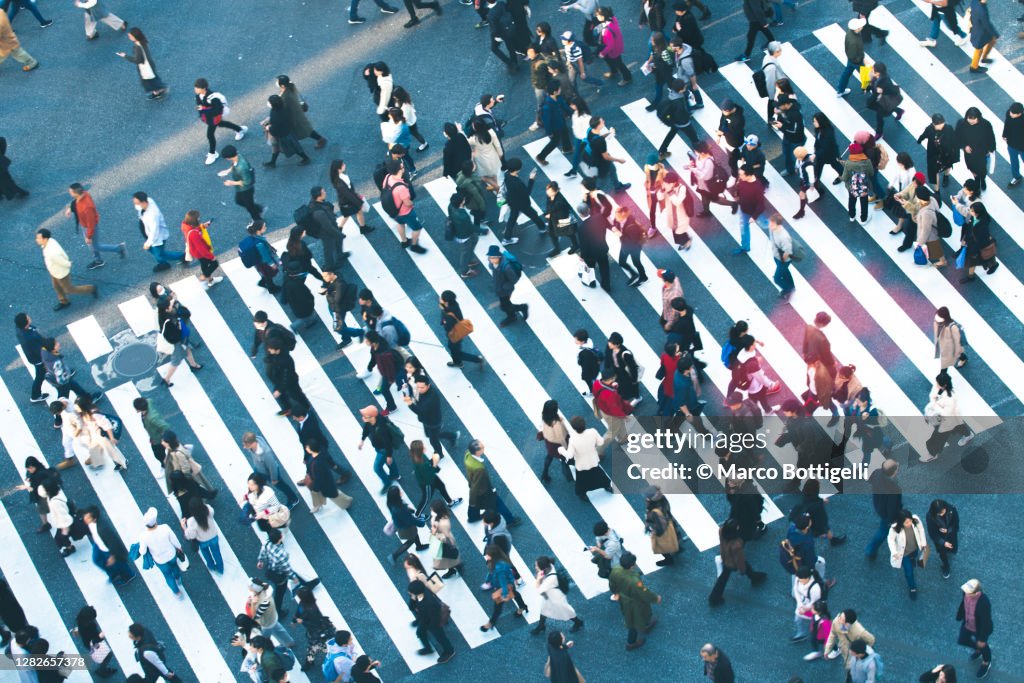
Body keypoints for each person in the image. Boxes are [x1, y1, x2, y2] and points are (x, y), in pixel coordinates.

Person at [65, 183, 125, 270]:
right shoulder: (84, 194)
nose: (69, 192)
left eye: (70, 191)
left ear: (76, 193)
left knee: (95, 246)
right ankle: (98, 260)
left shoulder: (87, 207)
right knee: (92, 246)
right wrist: (70, 209)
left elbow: (91, 223)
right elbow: (75, 203)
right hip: (85, 225)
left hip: (88, 227)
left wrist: (88, 236)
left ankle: (119, 248)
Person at [35, 228, 97, 311]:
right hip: (54, 271)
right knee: (56, 286)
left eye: (39, 238)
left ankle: (91, 288)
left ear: (45, 239)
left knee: (69, 289)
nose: (37, 240)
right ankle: (64, 301)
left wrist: (68, 264)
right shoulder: (50, 241)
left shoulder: (52, 253)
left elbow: (63, 262)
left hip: (61, 273)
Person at [709, 518, 766, 606]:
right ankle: (714, 598)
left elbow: (721, 544)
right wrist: (742, 570)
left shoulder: (721, 530)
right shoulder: (737, 544)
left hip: (725, 556)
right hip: (732, 562)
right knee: (724, 578)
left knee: (723, 578)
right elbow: (739, 560)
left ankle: (714, 598)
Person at [609, 552, 660, 650]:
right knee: (633, 622)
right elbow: (644, 592)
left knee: (634, 617)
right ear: (633, 565)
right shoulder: (634, 580)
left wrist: (616, 593)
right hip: (635, 603)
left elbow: (612, 584)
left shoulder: (615, 570)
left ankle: (645, 625)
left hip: (624, 599)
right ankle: (631, 643)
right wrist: (655, 598)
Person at [464, 439, 520, 525]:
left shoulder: (467, 455)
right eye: (482, 448)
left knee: (476, 504)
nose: (484, 448)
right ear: (477, 452)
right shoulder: (479, 468)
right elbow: (475, 487)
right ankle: (510, 520)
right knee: (498, 504)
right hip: (485, 491)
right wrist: (472, 500)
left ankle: (472, 517)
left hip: (474, 485)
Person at [134, 507, 185, 598]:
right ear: (155, 521)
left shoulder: (143, 536)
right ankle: (178, 579)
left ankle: (177, 593)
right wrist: (179, 548)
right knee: (175, 567)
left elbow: (142, 551)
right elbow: (174, 539)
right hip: (171, 554)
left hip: (160, 560)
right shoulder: (165, 528)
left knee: (167, 575)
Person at [923, 372, 974, 462]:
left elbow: (945, 413)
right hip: (953, 416)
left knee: (938, 437)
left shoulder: (949, 397)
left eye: (938, 383)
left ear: (944, 384)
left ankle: (932, 454)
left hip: (946, 420)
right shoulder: (946, 391)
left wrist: (934, 408)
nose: (936, 384)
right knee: (958, 426)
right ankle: (968, 435)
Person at [193, 78, 246, 165]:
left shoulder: (213, 98)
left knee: (210, 135)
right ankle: (239, 130)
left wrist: (205, 110)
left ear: (203, 88)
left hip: (213, 118)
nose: (195, 89)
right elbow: (200, 105)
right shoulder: (198, 96)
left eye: (197, 88)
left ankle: (212, 153)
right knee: (222, 124)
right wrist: (201, 111)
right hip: (208, 118)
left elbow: (218, 110)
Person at [559, 415, 612, 499]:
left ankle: (582, 494)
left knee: (582, 482)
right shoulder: (592, 432)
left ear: (574, 428)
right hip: (593, 460)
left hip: (581, 465)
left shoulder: (573, 439)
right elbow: (601, 443)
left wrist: (561, 450)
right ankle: (607, 486)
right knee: (599, 475)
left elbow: (570, 455)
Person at [479, 543, 528, 631]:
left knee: (498, 605)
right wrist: (488, 579)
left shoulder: (499, 567)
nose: (486, 556)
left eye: (488, 555)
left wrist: (504, 594)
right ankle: (523, 606)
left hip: (504, 586)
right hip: (505, 584)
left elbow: (503, 582)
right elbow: (491, 573)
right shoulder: (494, 562)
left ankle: (491, 622)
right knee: (515, 594)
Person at [157, 296, 203, 387]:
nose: (171, 305)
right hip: (177, 343)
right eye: (169, 305)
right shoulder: (168, 321)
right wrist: (179, 330)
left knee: (187, 350)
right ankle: (166, 379)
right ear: (166, 309)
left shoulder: (164, 315)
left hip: (181, 340)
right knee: (176, 360)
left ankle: (193, 365)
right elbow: (173, 336)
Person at [531, 556, 583, 635]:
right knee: (543, 609)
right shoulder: (550, 566)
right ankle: (541, 626)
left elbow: (539, 590)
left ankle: (578, 622)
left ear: (543, 568)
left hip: (556, 597)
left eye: (537, 566)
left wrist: (538, 579)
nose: (535, 567)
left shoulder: (551, 579)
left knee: (566, 611)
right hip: (549, 595)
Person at [40, 338, 102, 403]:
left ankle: (87, 398)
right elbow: (61, 378)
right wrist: (67, 377)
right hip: (62, 381)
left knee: (75, 387)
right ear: (52, 349)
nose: (58, 344)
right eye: (56, 344)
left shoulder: (44, 351)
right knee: (63, 396)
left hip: (54, 377)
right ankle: (59, 410)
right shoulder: (56, 363)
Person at [407, 580, 455, 663]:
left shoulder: (430, 603)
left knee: (440, 637)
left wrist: (432, 626)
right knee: (420, 633)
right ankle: (428, 648)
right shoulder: (419, 595)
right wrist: (412, 598)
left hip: (433, 622)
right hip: (424, 618)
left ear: (417, 592)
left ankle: (449, 651)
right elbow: (411, 608)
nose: (409, 592)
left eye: (411, 592)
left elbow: (435, 618)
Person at [303, 437, 353, 512]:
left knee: (333, 495)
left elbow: (320, 478)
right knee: (317, 494)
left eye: (307, 447)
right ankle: (317, 505)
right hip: (317, 480)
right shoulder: (317, 454)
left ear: (311, 449)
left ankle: (347, 502)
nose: (306, 448)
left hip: (324, 483)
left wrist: (315, 488)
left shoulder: (319, 463)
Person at [887, 508, 927, 599]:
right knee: (909, 572)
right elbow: (890, 540)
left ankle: (913, 560)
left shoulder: (915, 519)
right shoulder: (894, 528)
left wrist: (923, 543)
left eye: (910, 521)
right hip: (904, 554)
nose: (909, 523)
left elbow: (921, 530)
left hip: (915, 548)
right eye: (906, 522)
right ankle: (912, 587)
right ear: (901, 522)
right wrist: (894, 552)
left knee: (914, 557)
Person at [957, 578, 993, 678]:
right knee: (962, 640)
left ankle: (986, 661)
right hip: (967, 622)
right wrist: (960, 614)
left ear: (977, 593)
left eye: (968, 592)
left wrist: (982, 639)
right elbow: (963, 602)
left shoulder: (984, 603)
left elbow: (986, 623)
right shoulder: (966, 593)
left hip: (979, 628)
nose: (965, 593)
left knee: (982, 644)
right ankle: (979, 649)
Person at [262, 94, 310, 168]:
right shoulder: (282, 108)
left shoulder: (275, 114)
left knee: (294, 147)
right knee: (277, 146)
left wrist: (268, 128)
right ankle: (273, 162)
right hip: (287, 130)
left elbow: (275, 129)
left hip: (283, 135)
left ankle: (306, 158)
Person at [486, 245, 529, 327]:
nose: (491, 260)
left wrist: (504, 287)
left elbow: (514, 279)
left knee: (504, 306)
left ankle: (522, 308)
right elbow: (491, 266)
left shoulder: (506, 267)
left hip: (505, 290)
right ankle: (512, 316)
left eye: (494, 258)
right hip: (499, 287)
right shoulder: (494, 263)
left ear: (499, 257)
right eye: (490, 257)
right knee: (506, 304)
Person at [116, 28, 166, 99]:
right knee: (152, 79)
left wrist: (125, 56)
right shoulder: (142, 41)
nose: (129, 37)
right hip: (149, 64)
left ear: (135, 36)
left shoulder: (137, 47)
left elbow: (137, 60)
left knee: (148, 81)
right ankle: (159, 89)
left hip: (145, 67)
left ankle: (159, 90)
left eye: (130, 36)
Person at [955, 108, 996, 193]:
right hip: (969, 152)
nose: (971, 121)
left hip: (982, 151)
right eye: (969, 119)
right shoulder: (962, 124)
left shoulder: (985, 124)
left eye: (974, 119)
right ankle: (977, 180)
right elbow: (957, 136)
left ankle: (982, 179)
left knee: (982, 168)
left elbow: (991, 137)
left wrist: (991, 149)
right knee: (971, 167)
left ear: (978, 118)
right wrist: (964, 146)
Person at [219, 145, 263, 222]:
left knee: (249, 206)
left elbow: (247, 182)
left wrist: (231, 183)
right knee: (239, 201)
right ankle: (258, 209)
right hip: (241, 188)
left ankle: (258, 219)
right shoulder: (238, 156)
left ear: (228, 158)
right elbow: (234, 164)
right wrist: (228, 171)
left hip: (246, 189)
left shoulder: (242, 167)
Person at [181, 211, 224, 289]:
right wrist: (211, 256)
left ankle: (209, 280)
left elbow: (193, 230)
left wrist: (202, 226)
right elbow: (201, 249)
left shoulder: (185, 226)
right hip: (200, 253)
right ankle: (204, 278)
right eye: (198, 218)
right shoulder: (194, 234)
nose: (199, 219)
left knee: (204, 264)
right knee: (214, 263)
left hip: (196, 252)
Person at [733, 167, 769, 254]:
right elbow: (739, 189)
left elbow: (761, 205)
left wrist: (754, 217)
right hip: (744, 209)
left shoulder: (757, 187)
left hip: (754, 212)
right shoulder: (742, 180)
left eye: (741, 175)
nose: (740, 176)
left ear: (748, 175)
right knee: (743, 228)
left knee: (765, 225)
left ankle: (778, 230)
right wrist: (737, 193)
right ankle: (745, 247)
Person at [610, 205, 648, 286]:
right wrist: (615, 228)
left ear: (623, 216)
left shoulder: (631, 226)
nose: (615, 218)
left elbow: (633, 241)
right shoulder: (617, 220)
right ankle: (634, 274)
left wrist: (620, 235)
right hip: (625, 245)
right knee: (622, 262)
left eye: (617, 216)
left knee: (636, 262)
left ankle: (643, 277)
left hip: (635, 247)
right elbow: (614, 223)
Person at [538, 400, 572, 483]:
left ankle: (544, 473)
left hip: (549, 442)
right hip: (558, 444)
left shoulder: (544, 416)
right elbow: (561, 438)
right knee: (564, 459)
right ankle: (568, 476)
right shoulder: (557, 423)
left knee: (550, 455)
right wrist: (566, 448)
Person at [841, 143, 874, 225]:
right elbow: (871, 173)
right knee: (864, 202)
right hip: (864, 186)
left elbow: (844, 177)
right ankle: (863, 219)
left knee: (852, 201)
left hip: (852, 187)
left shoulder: (848, 163)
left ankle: (852, 216)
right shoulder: (867, 161)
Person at [926, 499, 959, 580]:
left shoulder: (951, 509)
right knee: (942, 553)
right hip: (940, 538)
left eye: (943, 511)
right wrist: (943, 542)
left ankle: (950, 553)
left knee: (952, 548)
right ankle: (946, 566)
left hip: (951, 536)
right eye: (939, 513)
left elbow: (956, 524)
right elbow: (932, 533)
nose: (942, 514)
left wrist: (948, 530)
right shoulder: (930, 516)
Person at [967, 0, 998, 73]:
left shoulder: (975, 2)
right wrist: (995, 34)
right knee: (979, 48)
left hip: (977, 28)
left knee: (990, 41)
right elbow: (986, 24)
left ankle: (984, 58)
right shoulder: (981, 11)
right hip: (981, 31)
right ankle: (974, 67)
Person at [769, 213, 795, 299]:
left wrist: (782, 261)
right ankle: (791, 286)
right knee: (785, 272)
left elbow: (787, 251)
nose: (770, 225)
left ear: (777, 224)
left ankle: (788, 289)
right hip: (777, 256)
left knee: (777, 278)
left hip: (783, 260)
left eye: (772, 224)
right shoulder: (774, 230)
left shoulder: (784, 237)